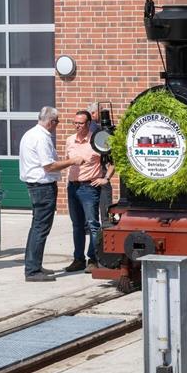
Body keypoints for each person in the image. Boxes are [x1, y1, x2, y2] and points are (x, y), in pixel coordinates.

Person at [18, 106, 85, 282]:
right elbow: (49, 166)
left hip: (36, 186)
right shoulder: (41, 138)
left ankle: (34, 265)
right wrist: (73, 161)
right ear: (51, 122)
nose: (57, 125)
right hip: (42, 187)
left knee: (37, 227)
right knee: (41, 228)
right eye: (57, 122)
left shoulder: (30, 134)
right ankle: (32, 270)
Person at [64, 110, 113, 273]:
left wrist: (106, 178)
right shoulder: (70, 140)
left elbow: (113, 161)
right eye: (75, 123)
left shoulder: (97, 140)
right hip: (73, 187)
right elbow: (68, 162)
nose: (77, 126)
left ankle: (93, 259)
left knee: (93, 224)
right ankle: (78, 259)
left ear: (89, 123)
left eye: (81, 123)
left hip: (89, 187)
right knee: (77, 225)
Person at [87, 102, 114, 228]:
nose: (104, 115)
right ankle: (106, 221)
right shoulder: (95, 128)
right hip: (98, 166)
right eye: (101, 111)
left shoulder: (92, 127)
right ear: (93, 113)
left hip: (94, 166)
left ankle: (90, 223)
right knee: (105, 192)